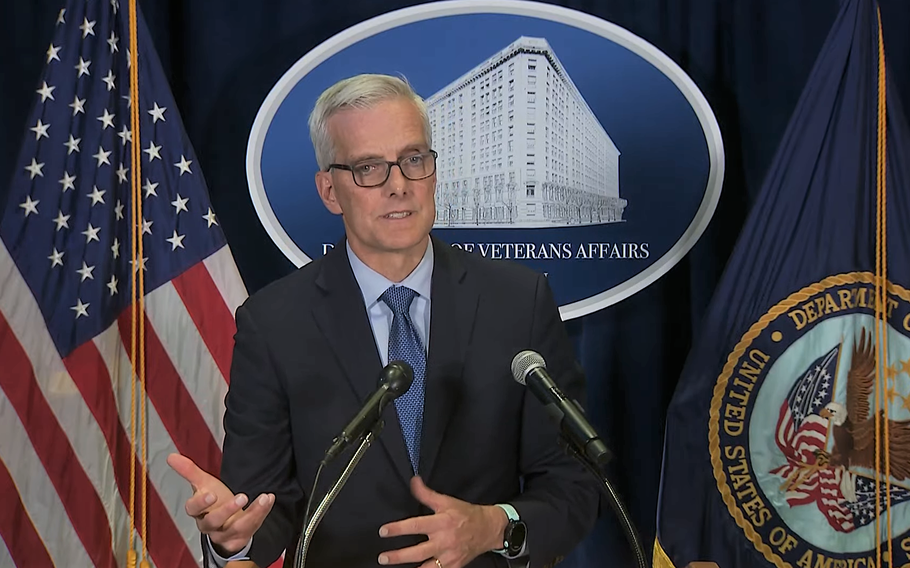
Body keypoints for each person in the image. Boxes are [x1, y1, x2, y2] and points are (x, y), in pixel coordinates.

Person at [168, 73, 600, 568]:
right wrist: (233, 540)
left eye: (413, 160)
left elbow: (575, 486)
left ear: (433, 172)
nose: (398, 186)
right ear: (330, 191)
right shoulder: (274, 323)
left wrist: (495, 526)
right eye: (369, 167)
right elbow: (262, 507)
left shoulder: (517, 302)